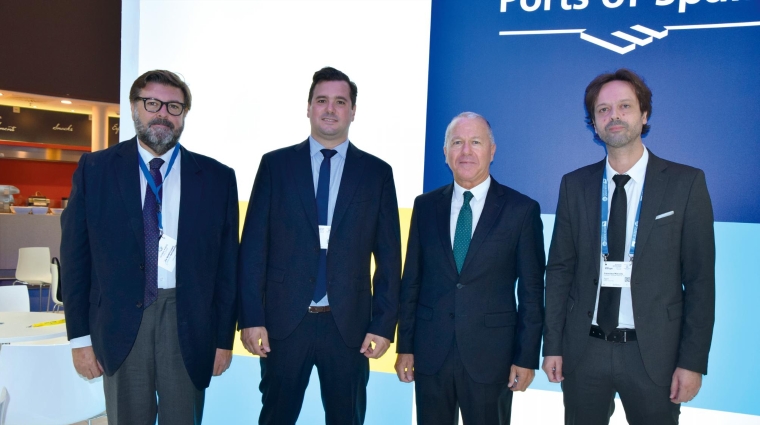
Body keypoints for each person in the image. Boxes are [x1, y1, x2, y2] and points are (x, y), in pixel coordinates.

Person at [61, 70, 239, 424]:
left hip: (187, 322)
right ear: (134, 108)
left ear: (185, 114)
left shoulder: (218, 177)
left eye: (174, 106)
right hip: (120, 322)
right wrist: (79, 340)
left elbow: (227, 267)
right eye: (152, 103)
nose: (163, 114)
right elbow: (75, 260)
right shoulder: (94, 170)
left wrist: (223, 340)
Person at [542, 68, 715, 424]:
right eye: (603, 110)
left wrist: (692, 362)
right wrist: (553, 345)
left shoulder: (685, 184)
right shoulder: (574, 186)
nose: (614, 116)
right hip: (583, 351)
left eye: (624, 106)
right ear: (593, 123)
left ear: (644, 115)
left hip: (654, 355)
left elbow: (700, 281)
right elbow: (559, 270)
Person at [237, 66, 402, 425]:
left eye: (340, 102)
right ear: (308, 107)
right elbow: (252, 249)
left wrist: (383, 323)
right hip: (283, 324)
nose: (330, 109)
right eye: (322, 100)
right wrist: (251, 317)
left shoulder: (377, 173)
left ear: (353, 111)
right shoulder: (275, 165)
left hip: (350, 329)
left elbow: (389, 259)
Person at [395, 112, 546, 425]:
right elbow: (412, 282)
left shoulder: (522, 210)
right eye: (457, 143)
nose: (466, 151)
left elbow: (532, 292)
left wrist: (526, 356)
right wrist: (405, 347)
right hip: (430, 355)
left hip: (493, 360)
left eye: (475, 142)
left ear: (492, 150)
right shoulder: (425, 206)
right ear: (446, 153)